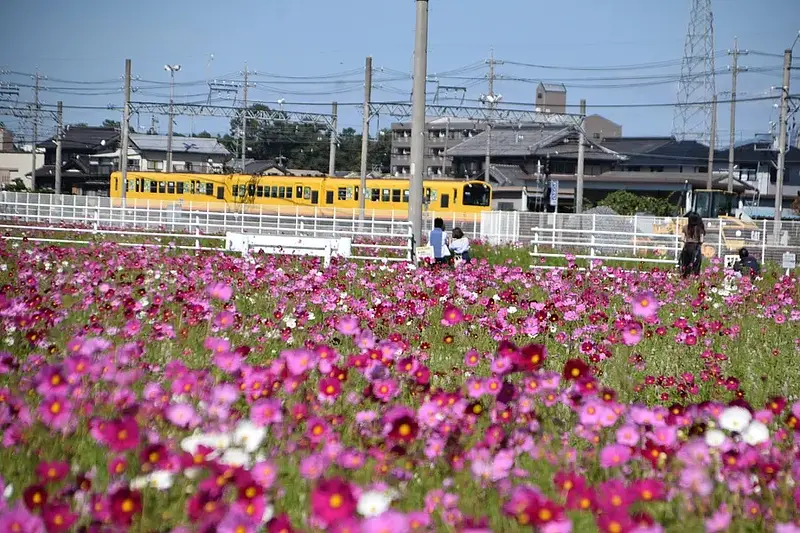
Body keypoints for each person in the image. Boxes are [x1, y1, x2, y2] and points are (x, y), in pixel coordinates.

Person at [680, 211, 705, 278]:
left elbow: (682, 238)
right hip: (696, 247)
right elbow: (701, 240)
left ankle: (684, 276)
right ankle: (695, 277)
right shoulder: (700, 228)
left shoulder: (685, 227)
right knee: (696, 264)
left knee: (685, 263)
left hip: (687, 246)